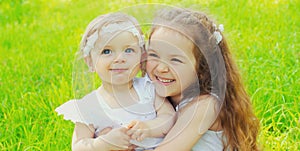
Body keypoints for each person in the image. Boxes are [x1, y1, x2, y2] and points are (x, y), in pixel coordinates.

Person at [55, 12, 175, 151]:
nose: (119, 58)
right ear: (90, 62)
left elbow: (169, 117)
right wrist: (103, 143)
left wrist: (149, 128)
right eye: (107, 51)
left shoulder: (148, 88)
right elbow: (79, 146)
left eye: (128, 50)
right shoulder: (89, 106)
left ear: (141, 56)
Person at [144, 8, 260, 150]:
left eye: (175, 60)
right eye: (154, 55)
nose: (161, 68)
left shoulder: (205, 106)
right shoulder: (152, 93)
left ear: (201, 68)